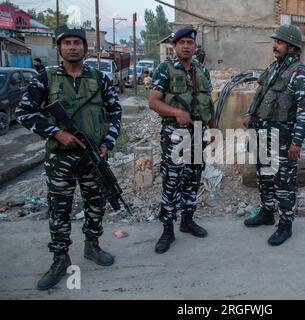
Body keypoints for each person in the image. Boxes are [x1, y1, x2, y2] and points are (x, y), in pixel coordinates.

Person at [16, 25, 123, 290]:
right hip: (60, 158)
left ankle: (92, 246)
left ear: (85, 48)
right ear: (59, 48)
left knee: (95, 203)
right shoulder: (45, 78)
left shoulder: (99, 78)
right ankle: (60, 258)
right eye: (67, 43)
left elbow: (115, 113)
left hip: (93, 154)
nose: (72, 47)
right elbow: (24, 112)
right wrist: (56, 133)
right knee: (59, 209)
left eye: (77, 42)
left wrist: (108, 143)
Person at [242, 25, 305, 246]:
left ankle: (285, 225)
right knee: (264, 177)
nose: (275, 46)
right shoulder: (273, 69)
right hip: (263, 135)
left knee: (284, 183)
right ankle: (266, 212)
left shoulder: (300, 74)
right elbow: (260, 94)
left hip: (283, 140)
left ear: (291, 47)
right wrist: (249, 114)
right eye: (276, 42)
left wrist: (297, 142)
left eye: (280, 43)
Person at [149, 27, 216, 254]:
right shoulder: (165, 69)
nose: (186, 46)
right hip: (175, 134)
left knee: (193, 178)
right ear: (174, 46)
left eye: (190, 42)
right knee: (172, 182)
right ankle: (167, 230)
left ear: (195, 46)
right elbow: (154, 102)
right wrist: (177, 113)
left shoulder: (202, 71)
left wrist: (214, 129)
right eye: (182, 43)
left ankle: (187, 221)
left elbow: (208, 102)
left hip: (198, 133)